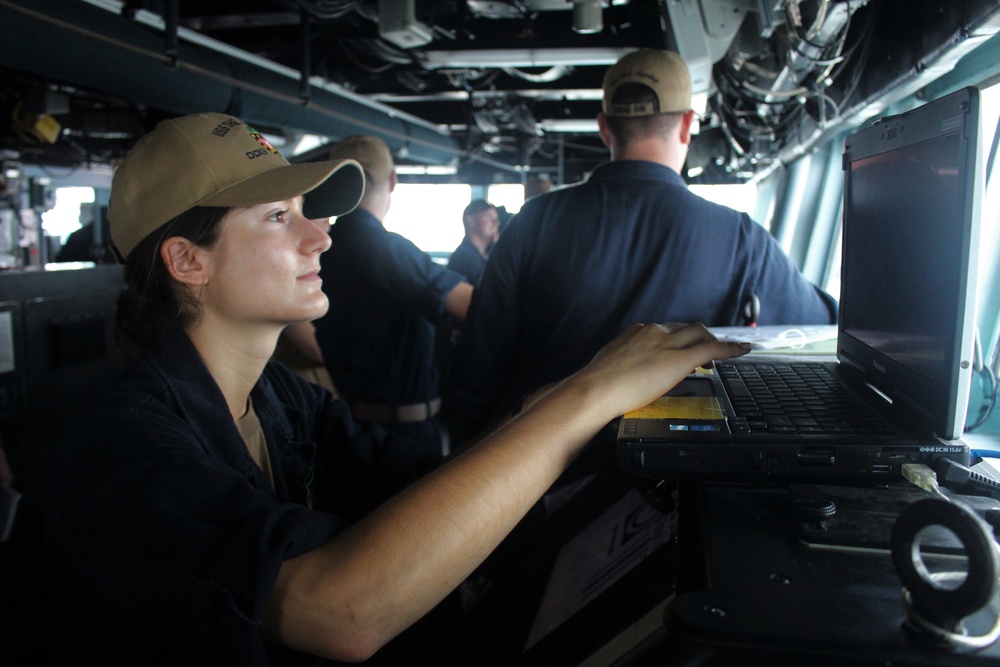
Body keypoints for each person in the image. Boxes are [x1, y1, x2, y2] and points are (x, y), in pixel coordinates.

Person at [40, 111, 750, 666]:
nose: (320, 237)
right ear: (187, 259)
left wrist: (598, 389)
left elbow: (427, 482)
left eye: (308, 211)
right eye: (279, 216)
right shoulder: (119, 443)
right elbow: (338, 609)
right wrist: (588, 395)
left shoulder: (281, 400)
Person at [448, 49, 838, 445]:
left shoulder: (530, 222)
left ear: (605, 128)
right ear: (687, 126)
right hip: (673, 485)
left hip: (538, 476)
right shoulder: (741, 238)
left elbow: (478, 368)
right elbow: (820, 329)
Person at [309, 135, 472, 459]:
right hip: (402, 437)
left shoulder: (323, 248)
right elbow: (475, 308)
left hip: (348, 425)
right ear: (393, 181)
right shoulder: (387, 249)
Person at [447, 199, 500, 286]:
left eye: (496, 218)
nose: (496, 222)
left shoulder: (480, 256)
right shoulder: (464, 259)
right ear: (471, 221)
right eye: (489, 216)